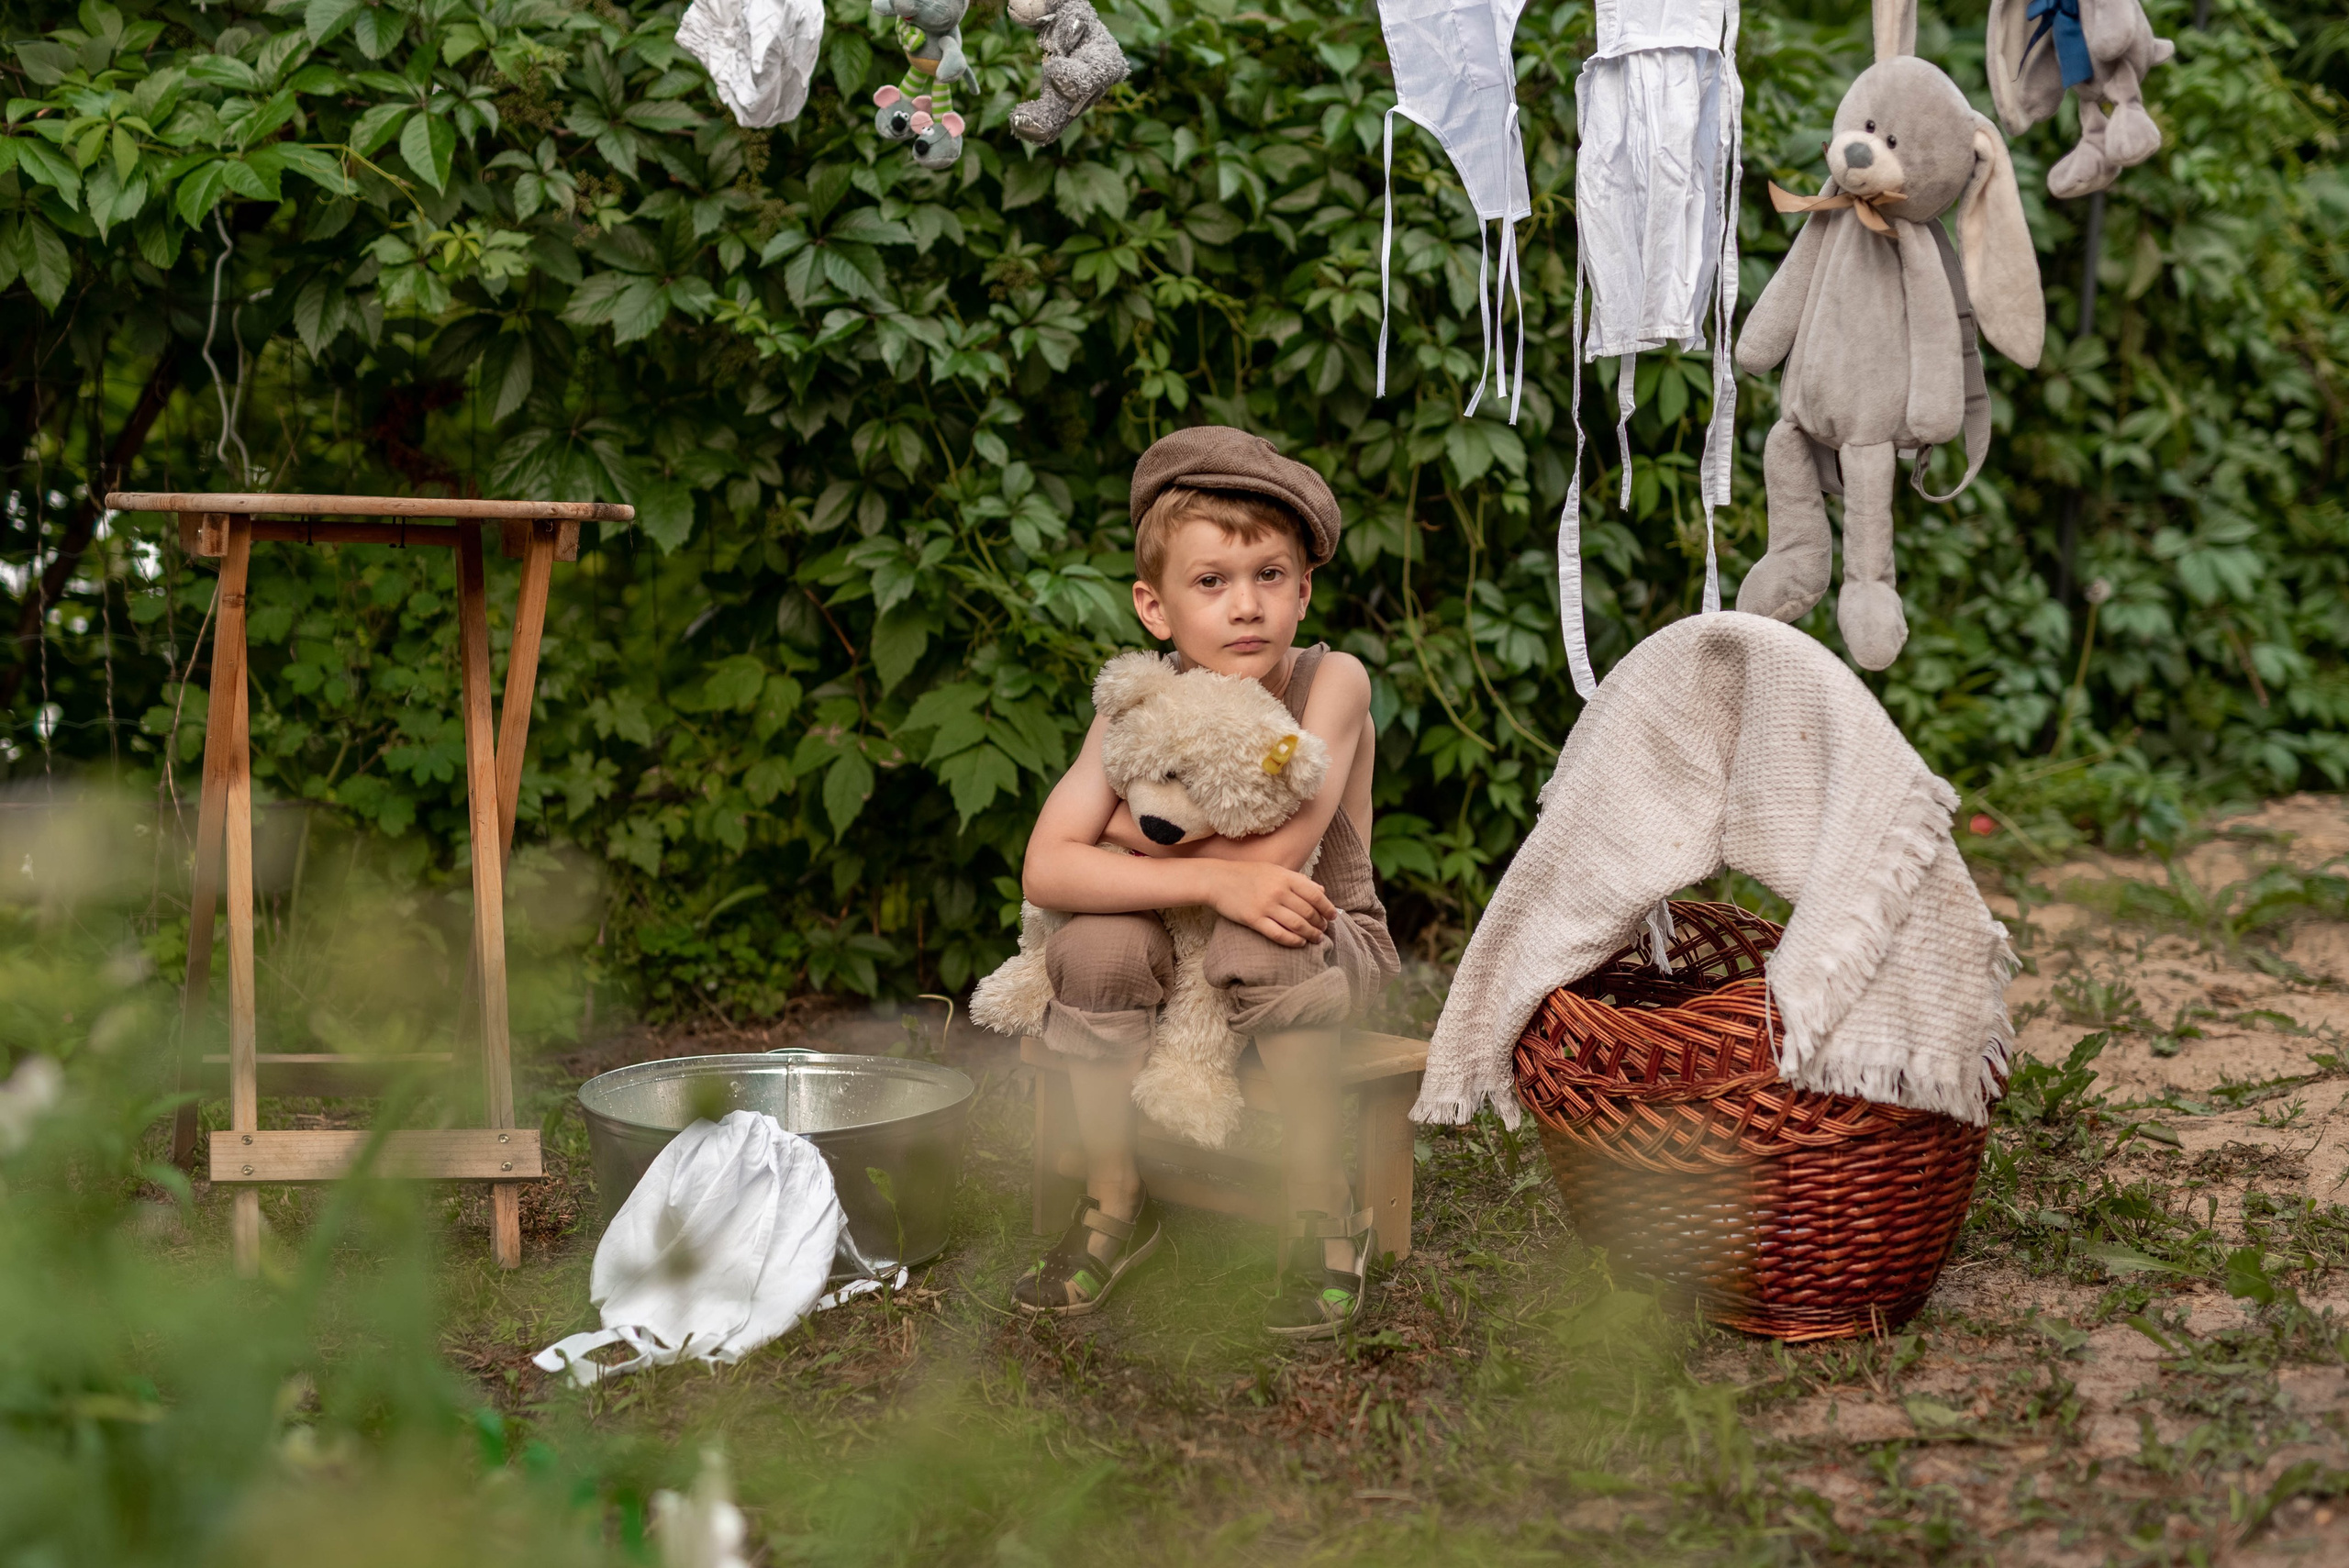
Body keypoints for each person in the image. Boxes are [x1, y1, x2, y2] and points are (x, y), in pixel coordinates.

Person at [1010, 427, 1401, 1337]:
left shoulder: (1329, 682)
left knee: (1263, 930)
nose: (1245, 606)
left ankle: (1321, 1203)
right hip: (1177, 945)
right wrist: (1199, 879)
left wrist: (1122, 839)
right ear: (1155, 607)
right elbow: (1046, 864)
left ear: (1305, 589)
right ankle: (1116, 1192)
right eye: (1211, 581)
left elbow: (1275, 863)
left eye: (1270, 575)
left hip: (1318, 941)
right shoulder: (1138, 704)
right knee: (1091, 944)